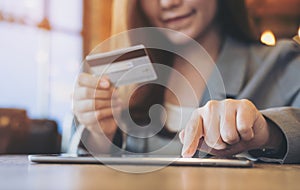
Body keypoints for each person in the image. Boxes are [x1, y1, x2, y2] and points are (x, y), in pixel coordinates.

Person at [72, 0, 300, 163]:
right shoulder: (124, 79)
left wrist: (268, 132)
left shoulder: (282, 62)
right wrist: (100, 135)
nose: (168, 2)